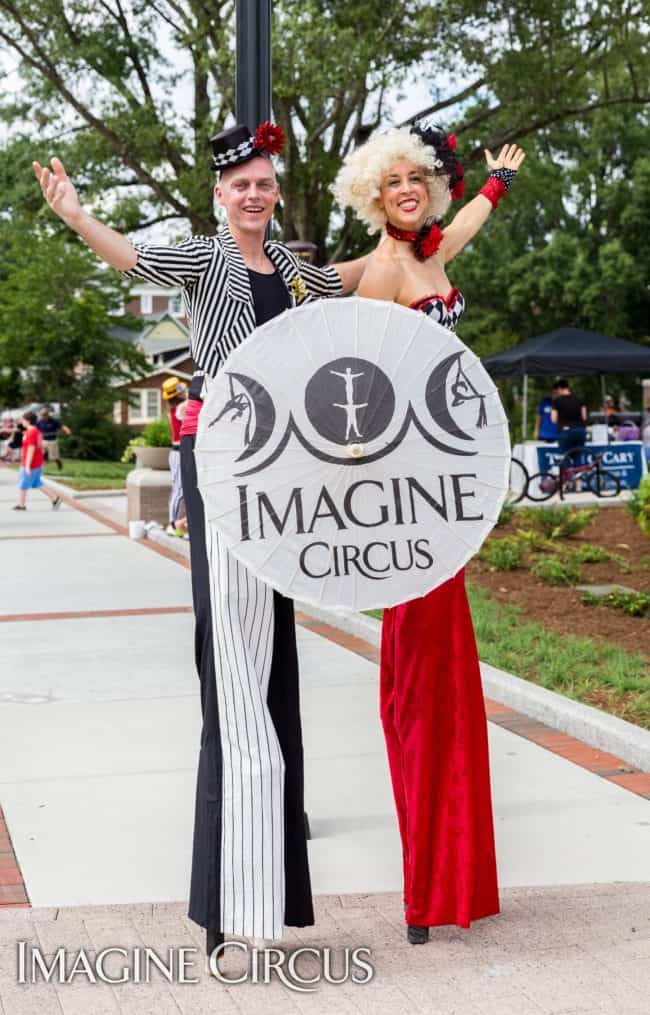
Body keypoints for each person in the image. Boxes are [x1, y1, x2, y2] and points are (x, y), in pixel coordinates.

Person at [33, 124, 368, 954]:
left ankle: (272, 892)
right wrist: (78, 217)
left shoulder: (289, 267)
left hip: (281, 462)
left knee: (274, 664)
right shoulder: (203, 258)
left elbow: (348, 278)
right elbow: (130, 259)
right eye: (240, 185)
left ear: (275, 192)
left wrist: (413, 237)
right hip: (223, 451)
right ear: (221, 195)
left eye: (264, 183)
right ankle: (223, 897)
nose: (254, 195)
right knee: (232, 660)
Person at [333, 121, 525, 944]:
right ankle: (425, 889)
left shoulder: (433, 251)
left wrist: (496, 184)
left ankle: (454, 877)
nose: (408, 188)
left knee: (449, 677)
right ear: (374, 193)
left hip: (447, 483)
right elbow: (358, 383)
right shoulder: (377, 270)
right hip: (405, 489)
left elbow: (471, 224)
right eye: (394, 181)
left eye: (418, 178)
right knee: (418, 682)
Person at [13, 411, 62, 511]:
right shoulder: (35, 431)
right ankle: (55, 499)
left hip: (31, 464)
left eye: (23, 419)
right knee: (37, 483)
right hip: (35, 463)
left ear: (28, 421)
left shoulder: (32, 432)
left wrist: (27, 466)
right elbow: (40, 447)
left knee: (23, 483)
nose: (22, 421)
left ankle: (21, 505)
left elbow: (31, 448)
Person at [161, 377, 188, 535]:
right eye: (182, 390)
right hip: (178, 453)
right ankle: (172, 524)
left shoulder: (180, 407)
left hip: (182, 452)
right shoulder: (180, 408)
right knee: (179, 490)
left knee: (181, 490)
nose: (185, 391)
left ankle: (177, 524)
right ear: (177, 394)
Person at [551, 379, 587, 456]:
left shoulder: (557, 401)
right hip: (580, 430)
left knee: (565, 458)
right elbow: (584, 417)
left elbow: (553, 419)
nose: (556, 394)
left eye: (556, 391)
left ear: (559, 389)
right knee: (579, 457)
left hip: (565, 431)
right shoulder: (579, 399)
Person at [36, 405, 71, 470]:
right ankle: (39, 468)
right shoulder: (39, 422)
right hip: (43, 440)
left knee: (54, 457)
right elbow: (35, 429)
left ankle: (59, 465)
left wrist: (67, 430)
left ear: (47, 414)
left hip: (52, 441)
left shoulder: (53, 421)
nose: (43, 416)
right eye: (42, 415)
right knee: (40, 454)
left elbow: (62, 426)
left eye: (44, 415)